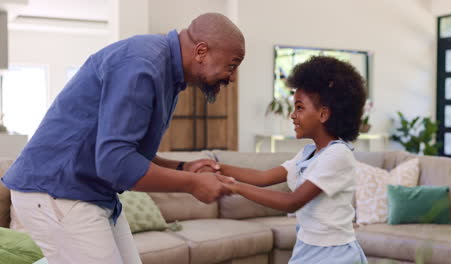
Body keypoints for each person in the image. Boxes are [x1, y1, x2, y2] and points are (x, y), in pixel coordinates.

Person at [1, 13, 244, 264]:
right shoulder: (143, 64)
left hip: (88, 193)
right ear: (201, 51)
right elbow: (116, 163)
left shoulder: (166, 72)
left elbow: (130, 154)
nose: (233, 77)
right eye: (233, 64)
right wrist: (192, 183)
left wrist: (184, 168)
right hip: (57, 190)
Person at [217, 56, 368, 264]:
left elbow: (292, 202)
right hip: (307, 248)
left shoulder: (338, 155)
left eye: (299, 108)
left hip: (334, 254)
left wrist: (236, 188)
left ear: (323, 114)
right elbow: (262, 177)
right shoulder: (308, 153)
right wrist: (218, 167)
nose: (292, 116)